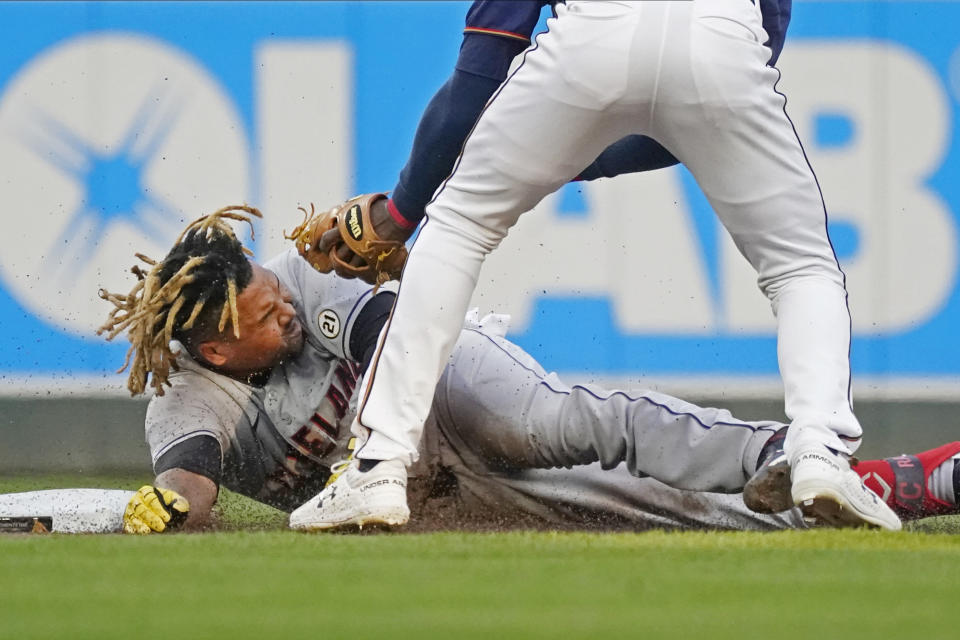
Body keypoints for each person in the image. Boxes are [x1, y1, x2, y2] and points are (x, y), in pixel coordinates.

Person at [306, 0, 903, 531]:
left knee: (458, 225)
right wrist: (564, 153)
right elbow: (719, 81)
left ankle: (379, 464)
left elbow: (484, 65)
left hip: (595, 33)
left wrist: (406, 210)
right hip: (725, 29)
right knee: (801, 267)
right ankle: (820, 453)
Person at [92, 207, 959, 535]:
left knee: (550, 421)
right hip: (427, 493)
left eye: (269, 288)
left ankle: (804, 451)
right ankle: (904, 487)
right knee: (653, 515)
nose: (279, 304)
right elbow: (190, 477)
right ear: (213, 351)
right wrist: (170, 506)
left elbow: (396, 333)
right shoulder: (188, 395)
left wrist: (374, 449)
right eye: (260, 317)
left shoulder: (305, 271)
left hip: (441, 389)